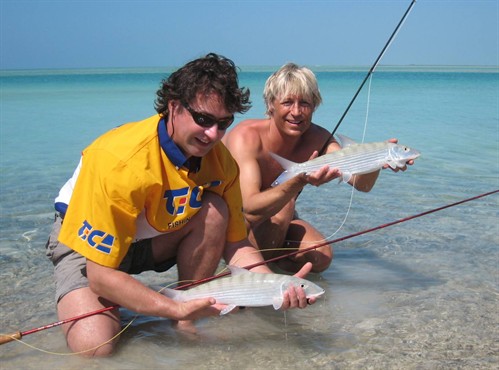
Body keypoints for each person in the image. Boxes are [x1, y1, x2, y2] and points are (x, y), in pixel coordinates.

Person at [46, 54, 315, 357]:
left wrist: (275, 286)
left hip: (154, 238)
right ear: (173, 106)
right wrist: (173, 307)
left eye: (223, 123)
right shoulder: (119, 162)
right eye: (203, 119)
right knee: (94, 349)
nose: (212, 134)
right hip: (88, 250)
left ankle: (186, 315)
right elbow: (100, 274)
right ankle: (173, 308)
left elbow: (237, 244)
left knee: (214, 211)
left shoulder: (221, 162)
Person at [223, 63, 415, 274]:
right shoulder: (246, 137)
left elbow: (362, 184)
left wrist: (377, 160)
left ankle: (270, 271)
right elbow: (249, 206)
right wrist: (299, 181)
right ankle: (248, 276)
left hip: (277, 218)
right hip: (232, 220)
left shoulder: (320, 139)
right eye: (287, 102)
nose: (296, 112)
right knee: (285, 205)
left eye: (304, 103)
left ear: (315, 105)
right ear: (271, 105)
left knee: (320, 256)